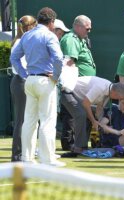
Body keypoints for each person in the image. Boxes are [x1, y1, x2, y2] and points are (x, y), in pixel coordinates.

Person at [10, 7, 65, 166]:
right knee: (47, 121)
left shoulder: (26, 35)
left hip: (30, 81)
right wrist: (55, 77)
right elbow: (58, 59)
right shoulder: (49, 35)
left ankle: (27, 158)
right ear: (52, 22)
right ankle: (47, 159)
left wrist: (24, 74)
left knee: (29, 121)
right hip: (44, 81)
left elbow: (14, 58)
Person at [60, 76, 124, 155]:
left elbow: (99, 109)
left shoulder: (109, 90)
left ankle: (82, 146)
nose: (118, 100)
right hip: (68, 92)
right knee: (81, 114)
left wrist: (100, 124)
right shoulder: (101, 87)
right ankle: (78, 147)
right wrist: (93, 121)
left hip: (79, 98)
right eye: (119, 98)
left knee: (88, 116)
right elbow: (86, 103)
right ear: (115, 93)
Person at [59, 15, 95, 151]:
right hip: (74, 85)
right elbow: (69, 62)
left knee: (78, 114)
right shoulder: (71, 39)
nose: (89, 31)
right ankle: (69, 144)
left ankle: (78, 144)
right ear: (77, 26)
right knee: (72, 115)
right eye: (87, 28)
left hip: (80, 86)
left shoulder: (80, 39)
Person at [10, 15, 37, 162]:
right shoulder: (21, 42)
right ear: (30, 26)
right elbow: (18, 64)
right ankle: (17, 155)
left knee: (26, 119)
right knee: (22, 120)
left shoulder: (22, 41)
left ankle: (24, 152)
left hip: (23, 81)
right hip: (21, 82)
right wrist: (26, 76)